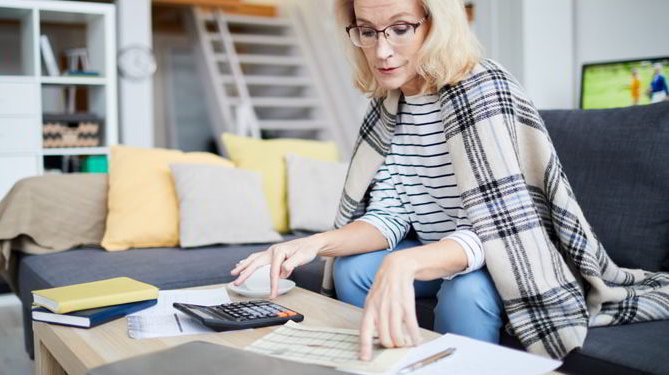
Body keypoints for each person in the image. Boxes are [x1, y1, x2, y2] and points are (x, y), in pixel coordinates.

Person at [231, 0, 669, 362]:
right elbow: (390, 213)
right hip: (442, 248)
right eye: (367, 30)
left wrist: (407, 263)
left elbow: (500, 230)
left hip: (505, 255)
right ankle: (384, 364)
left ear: (435, 24)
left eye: (400, 28)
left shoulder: (485, 88)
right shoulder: (389, 107)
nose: (382, 51)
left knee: (465, 292)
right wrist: (312, 243)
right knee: (351, 267)